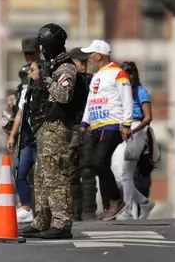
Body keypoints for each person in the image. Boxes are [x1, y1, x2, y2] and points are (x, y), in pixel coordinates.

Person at [20, 23, 77, 240]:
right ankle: (42, 220)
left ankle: (61, 222)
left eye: (44, 46)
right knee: (41, 176)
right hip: (45, 128)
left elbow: (64, 96)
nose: (42, 50)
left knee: (55, 175)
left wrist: (45, 78)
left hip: (58, 128)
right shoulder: (52, 67)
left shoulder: (65, 68)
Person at [78, 40, 132, 220]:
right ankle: (110, 204)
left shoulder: (118, 73)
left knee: (99, 163)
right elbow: (90, 101)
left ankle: (117, 200)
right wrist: (84, 123)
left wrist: (126, 124)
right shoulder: (97, 75)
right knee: (99, 165)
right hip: (96, 126)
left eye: (91, 54)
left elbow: (126, 99)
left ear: (99, 55)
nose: (89, 58)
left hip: (111, 125)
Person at [113, 61, 156, 220]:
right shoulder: (120, 92)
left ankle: (126, 210)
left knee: (126, 174)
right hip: (123, 130)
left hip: (136, 130)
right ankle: (144, 203)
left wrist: (133, 130)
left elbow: (148, 117)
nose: (126, 76)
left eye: (128, 73)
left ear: (133, 75)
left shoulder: (140, 92)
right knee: (118, 173)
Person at [7, 60, 45, 224]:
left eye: (33, 70)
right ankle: (26, 208)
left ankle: (45, 210)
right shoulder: (27, 90)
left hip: (43, 136)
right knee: (19, 171)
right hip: (27, 136)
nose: (30, 73)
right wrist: (13, 135)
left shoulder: (47, 88)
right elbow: (20, 113)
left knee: (43, 175)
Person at [67, 47, 96, 221]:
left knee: (88, 170)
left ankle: (89, 211)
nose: (84, 65)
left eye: (85, 62)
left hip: (87, 128)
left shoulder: (92, 81)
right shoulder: (66, 81)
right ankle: (75, 212)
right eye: (80, 61)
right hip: (70, 129)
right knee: (71, 172)